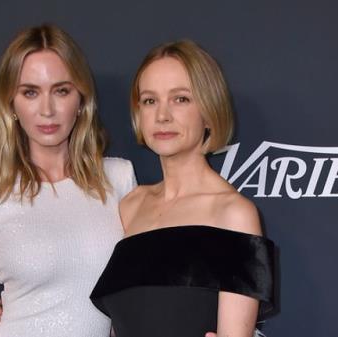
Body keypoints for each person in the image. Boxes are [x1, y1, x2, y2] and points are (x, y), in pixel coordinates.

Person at [0, 24, 136, 337]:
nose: (47, 110)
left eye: (61, 90)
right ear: (11, 103)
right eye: (30, 92)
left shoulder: (118, 178)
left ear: (81, 101)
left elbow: (135, 298)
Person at [90, 40, 275, 337]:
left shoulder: (234, 214)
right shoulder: (130, 205)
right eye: (150, 101)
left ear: (209, 110)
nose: (162, 115)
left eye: (181, 99)